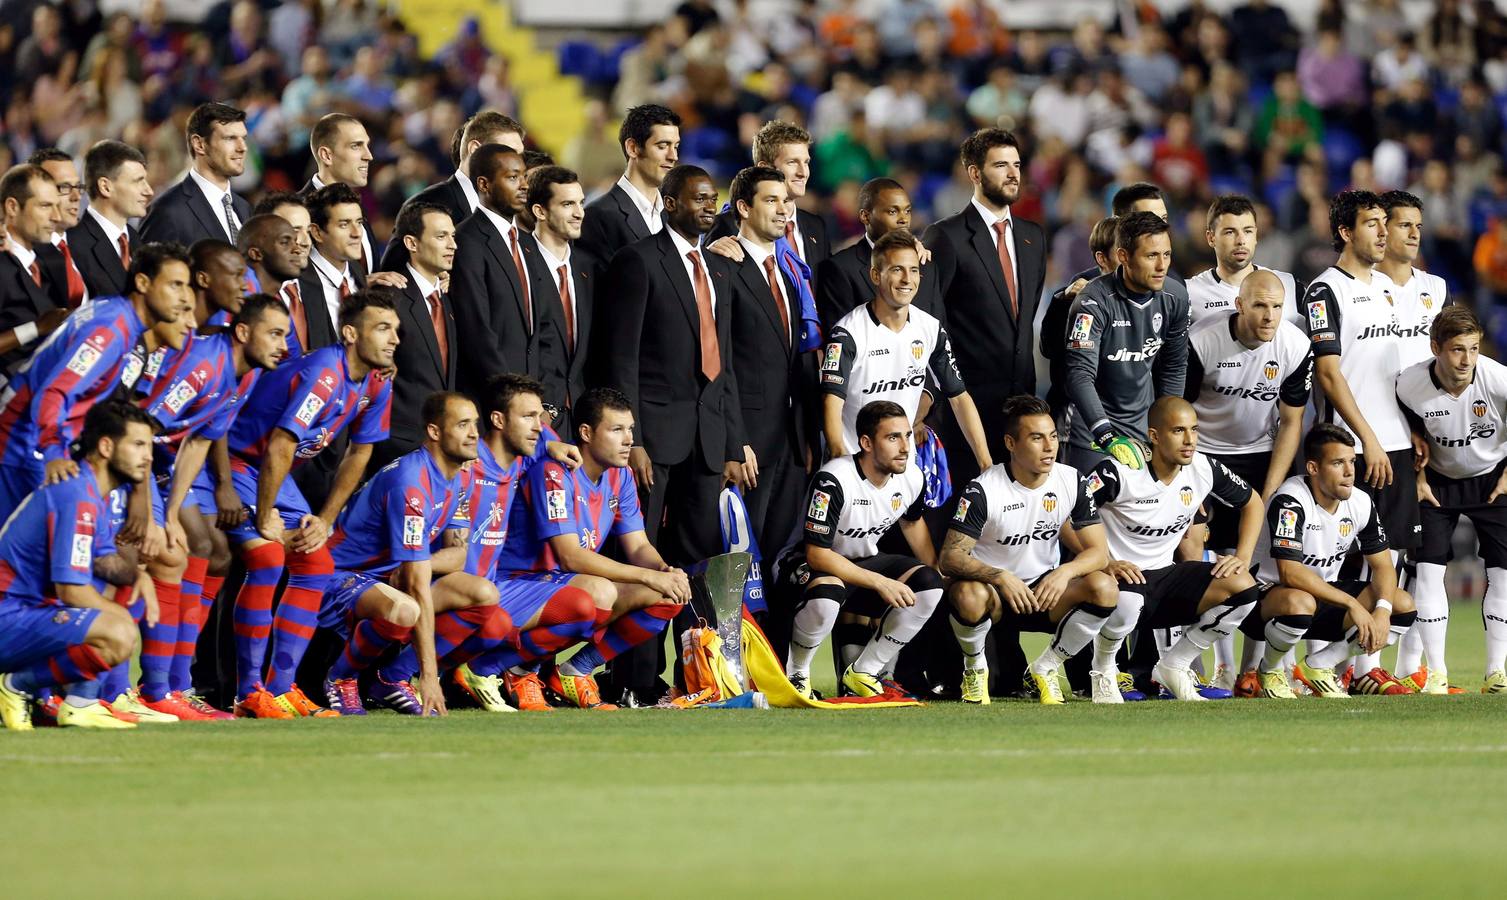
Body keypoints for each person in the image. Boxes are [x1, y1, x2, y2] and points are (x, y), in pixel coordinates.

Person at [592, 163, 742, 705]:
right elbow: (621, 359)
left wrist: (729, 444)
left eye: (713, 199)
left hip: (705, 440)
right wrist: (632, 441)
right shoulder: (638, 262)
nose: (708, 206)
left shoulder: (718, 270)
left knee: (700, 560)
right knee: (644, 558)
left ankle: (697, 675)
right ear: (671, 202)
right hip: (653, 441)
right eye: (698, 198)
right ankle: (633, 679)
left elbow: (722, 365)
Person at [221, 289, 396, 719]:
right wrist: (265, 515)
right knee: (266, 557)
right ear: (351, 333)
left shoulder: (377, 381)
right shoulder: (325, 371)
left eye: (396, 330)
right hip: (237, 461)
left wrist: (325, 518)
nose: (394, 339)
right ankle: (249, 692)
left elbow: (361, 451)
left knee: (315, 563)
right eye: (382, 328)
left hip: (273, 474)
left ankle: (282, 687)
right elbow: (281, 444)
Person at [476, 388, 689, 710]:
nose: (628, 439)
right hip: (516, 582)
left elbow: (638, 544)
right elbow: (570, 556)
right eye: (616, 430)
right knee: (599, 593)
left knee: (664, 595)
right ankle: (518, 669)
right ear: (586, 433)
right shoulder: (554, 472)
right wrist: (647, 575)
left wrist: (663, 572)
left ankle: (576, 671)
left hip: (563, 585)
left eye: (630, 429)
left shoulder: (622, 476)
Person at [141, 291, 289, 717]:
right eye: (275, 334)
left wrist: (169, 513)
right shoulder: (205, 363)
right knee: (153, 555)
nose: (283, 345)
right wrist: (146, 500)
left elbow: (198, 441)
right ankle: (147, 690)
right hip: (127, 457)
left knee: (211, 551)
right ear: (242, 332)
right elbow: (146, 423)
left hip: (164, 462)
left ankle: (172, 686)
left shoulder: (239, 374)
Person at [321, 392, 505, 717]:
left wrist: (419, 562)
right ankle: (341, 678)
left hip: (384, 580)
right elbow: (417, 586)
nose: (475, 433)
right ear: (435, 432)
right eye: (463, 424)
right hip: (338, 578)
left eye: (475, 424)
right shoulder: (411, 483)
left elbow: (458, 555)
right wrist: (429, 679)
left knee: (483, 593)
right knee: (406, 609)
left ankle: (391, 678)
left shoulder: (455, 479)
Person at [940, 396, 1119, 705]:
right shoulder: (983, 489)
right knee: (967, 596)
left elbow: (1098, 553)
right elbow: (950, 558)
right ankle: (974, 670)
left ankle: (1046, 666)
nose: (1049, 446)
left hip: (1043, 592)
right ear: (1011, 442)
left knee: (1104, 587)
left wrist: (1065, 572)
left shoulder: (1072, 480)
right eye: (1037, 438)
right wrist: (999, 576)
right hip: (994, 596)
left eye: (1052, 435)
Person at [1083, 397, 1264, 701]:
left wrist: (1242, 557)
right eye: (1179, 431)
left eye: (1194, 430)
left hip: (1165, 579)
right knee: (1125, 604)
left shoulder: (1204, 467)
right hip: (1119, 583)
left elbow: (1253, 503)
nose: (1190, 440)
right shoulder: (1119, 471)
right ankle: (1104, 672)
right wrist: (1104, 561)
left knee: (1244, 588)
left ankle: (1174, 666)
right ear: (1154, 436)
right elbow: (1069, 514)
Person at [1184, 268, 1313, 687]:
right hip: (1202, 455)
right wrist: (1188, 477)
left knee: (1261, 565)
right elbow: (1178, 415)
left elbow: (1291, 423)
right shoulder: (1202, 342)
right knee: (1206, 558)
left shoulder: (1296, 346)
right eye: (1259, 305)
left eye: (1277, 306)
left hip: (1260, 455)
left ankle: (1251, 671)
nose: (1269, 315)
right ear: (1239, 305)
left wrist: (1272, 488)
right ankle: (1213, 663)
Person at [0, 241, 190, 517]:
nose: (185, 298)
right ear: (142, 282)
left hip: (34, 442)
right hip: (24, 445)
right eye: (175, 285)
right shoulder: (110, 329)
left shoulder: (114, 312)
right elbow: (55, 391)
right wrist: (53, 453)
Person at [0, 401, 157, 731]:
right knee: (118, 631)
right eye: (138, 445)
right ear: (105, 446)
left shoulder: (89, 492)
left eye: (150, 447)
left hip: (21, 612)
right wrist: (122, 623)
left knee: (122, 595)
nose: (148, 457)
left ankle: (80, 704)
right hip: (8, 612)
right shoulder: (78, 496)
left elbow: (103, 563)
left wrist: (140, 576)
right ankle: (17, 686)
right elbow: (71, 590)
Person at [441, 373, 585, 712]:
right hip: (447, 587)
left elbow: (537, 442)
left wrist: (550, 443)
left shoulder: (522, 457)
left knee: (582, 608)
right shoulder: (464, 464)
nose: (540, 426)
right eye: (529, 417)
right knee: (493, 620)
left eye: (541, 417)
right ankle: (397, 675)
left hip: (488, 590)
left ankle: (481, 671)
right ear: (498, 420)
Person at [790, 400, 939, 698]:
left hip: (863, 562)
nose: (905, 447)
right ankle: (797, 675)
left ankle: (865, 671)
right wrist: (880, 582)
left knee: (929, 585)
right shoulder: (834, 479)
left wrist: (937, 572)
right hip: (809, 564)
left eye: (907, 435)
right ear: (866, 443)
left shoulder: (911, 476)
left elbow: (912, 524)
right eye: (893, 437)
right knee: (827, 596)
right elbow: (817, 553)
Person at [1256, 424, 1418, 697]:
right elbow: (1290, 574)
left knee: (1402, 604)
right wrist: (1351, 604)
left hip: (1323, 595)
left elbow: (1383, 566)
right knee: (1300, 601)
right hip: (1269, 600)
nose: (1349, 471)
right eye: (1337, 463)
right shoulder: (1290, 501)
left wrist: (1382, 609)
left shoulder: (1361, 501)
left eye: (1352, 461)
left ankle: (1319, 665)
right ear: (1313, 468)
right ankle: (1269, 670)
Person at [1304, 190, 1420, 564]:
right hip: (1352, 447)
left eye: (1385, 224)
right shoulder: (1325, 290)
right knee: (1351, 561)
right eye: (1372, 224)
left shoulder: (1388, 288)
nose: (1383, 233)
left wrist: (1414, 426)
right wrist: (1368, 439)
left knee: (1396, 562)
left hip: (1398, 444)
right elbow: (1328, 373)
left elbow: (1396, 371)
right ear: (1346, 231)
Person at [1396, 307, 1507, 693]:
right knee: (1427, 571)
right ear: (1436, 348)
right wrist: (1420, 475)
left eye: (1474, 349)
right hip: (1436, 484)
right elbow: (1401, 434)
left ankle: (1496, 671)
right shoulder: (1409, 384)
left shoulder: (1496, 379)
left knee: (1503, 576)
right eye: (1458, 350)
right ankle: (1437, 673)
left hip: (1492, 480)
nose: (1467, 360)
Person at [924, 128, 1046, 468]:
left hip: (1022, 402)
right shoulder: (945, 236)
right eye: (1001, 165)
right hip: (967, 405)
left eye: (1017, 165)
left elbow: (1025, 317)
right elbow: (931, 321)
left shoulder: (1033, 237)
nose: (1012, 174)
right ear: (975, 173)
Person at [821, 228, 991, 472]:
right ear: (875, 275)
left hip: (904, 469)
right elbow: (831, 401)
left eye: (913, 271)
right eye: (896, 270)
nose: (907, 280)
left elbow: (960, 398)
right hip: (855, 470)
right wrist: (840, 462)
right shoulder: (848, 333)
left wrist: (985, 464)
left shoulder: (930, 328)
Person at [723, 165, 812, 561]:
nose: (783, 210)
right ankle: (729, 628)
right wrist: (734, 441)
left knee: (779, 556)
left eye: (786, 201)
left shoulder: (790, 273)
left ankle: (768, 628)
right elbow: (719, 363)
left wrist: (806, 436)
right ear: (743, 207)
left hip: (790, 439)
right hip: (749, 443)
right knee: (741, 556)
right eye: (771, 200)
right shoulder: (722, 267)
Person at [1062, 211, 1190, 474]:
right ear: (1123, 256)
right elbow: (1079, 374)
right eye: (1151, 255)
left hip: (1144, 430)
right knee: (1087, 514)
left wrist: (1167, 429)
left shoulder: (1175, 296)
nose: (1162, 265)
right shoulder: (1092, 301)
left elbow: (1174, 367)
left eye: (1166, 254)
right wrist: (1105, 434)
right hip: (1090, 434)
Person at [449, 143, 568, 412]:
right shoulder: (467, 241)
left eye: (524, 176)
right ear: (484, 184)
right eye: (513, 177)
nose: (524, 185)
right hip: (492, 406)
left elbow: (546, 327)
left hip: (533, 406)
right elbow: (478, 333)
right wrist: (513, 400)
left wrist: (544, 401)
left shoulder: (527, 244)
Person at [378, 111, 527, 272]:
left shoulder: (512, 210)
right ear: (475, 149)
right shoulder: (428, 204)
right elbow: (394, 276)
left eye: (519, 156)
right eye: (509, 153)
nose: (518, 163)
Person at [370, 202, 457, 471]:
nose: (452, 244)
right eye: (441, 236)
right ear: (411, 242)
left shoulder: (447, 298)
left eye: (453, 236)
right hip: (396, 445)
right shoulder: (389, 298)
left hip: (439, 443)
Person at [815, 177, 941, 330]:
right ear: (865, 216)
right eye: (893, 211)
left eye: (907, 211)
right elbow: (839, 339)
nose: (903, 219)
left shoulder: (925, 265)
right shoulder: (840, 269)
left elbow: (941, 335)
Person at [706, 120, 830, 272]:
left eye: (806, 162)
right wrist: (708, 256)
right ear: (764, 168)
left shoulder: (816, 226)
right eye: (792, 162)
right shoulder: (728, 224)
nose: (803, 172)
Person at [528, 165, 596, 423]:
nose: (579, 213)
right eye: (568, 204)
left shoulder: (589, 269)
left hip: (580, 418)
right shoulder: (519, 265)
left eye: (581, 203)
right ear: (540, 211)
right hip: (535, 419)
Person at [138, 102, 253, 246]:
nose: (243, 148)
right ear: (199, 145)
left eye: (243, 138)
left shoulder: (244, 207)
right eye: (230, 138)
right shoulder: (167, 212)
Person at [577, 104, 679, 263]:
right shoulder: (597, 217)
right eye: (662, 146)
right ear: (632, 148)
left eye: (676, 146)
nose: (673, 156)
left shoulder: (676, 213)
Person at [1042, 215, 1118, 423]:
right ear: (1102, 258)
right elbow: (1049, 349)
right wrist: (1064, 302)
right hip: (1078, 417)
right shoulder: (1080, 294)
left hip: (1131, 416)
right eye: (1122, 252)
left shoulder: (1156, 297)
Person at [1186, 194, 1302, 326]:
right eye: (1230, 232)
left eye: (1247, 231)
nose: (1241, 241)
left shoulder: (1290, 285)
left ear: (1256, 235)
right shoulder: (1189, 294)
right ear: (1211, 238)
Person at [0, 164, 69, 376]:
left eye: (57, 206)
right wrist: (35, 329)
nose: (57, 217)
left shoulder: (52, 257)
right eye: (45, 206)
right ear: (13, 207)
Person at [292, 182, 369, 353]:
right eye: (344, 224)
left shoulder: (357, 272)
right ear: (317, 233)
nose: (357, 233)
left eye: (359, 222)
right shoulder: (296, 285)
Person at [70, 140, 152, 299]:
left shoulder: (137, 241)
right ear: (105, 187)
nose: (149, 191)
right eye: (138, 181)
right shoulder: (73, 246)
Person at [1377, 190, 1449, 371]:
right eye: (1405, 225)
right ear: (1382, 229)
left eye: (1418, 226)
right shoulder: (1356, 288)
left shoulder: (1437, 287)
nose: (1414, 234)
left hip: (1424, 398)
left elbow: (1451, 348)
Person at [302, 113, 377, 272]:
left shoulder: (355, 206)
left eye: (367, 145)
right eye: (356, 146)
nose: (368, 156)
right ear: (327, 155)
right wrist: (359, 285)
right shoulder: (298, 211)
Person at [237, 213, 307, 358]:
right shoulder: (236, 292)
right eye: (284, 242)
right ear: (256, 254)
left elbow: (291, 361)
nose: (297, 249)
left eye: (295, 241)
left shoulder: (275, 305)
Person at [29, 149, 89, 309]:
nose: (76, 196)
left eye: (78, 186)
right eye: (64, 187)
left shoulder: (87, 244)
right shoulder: (26, 254)